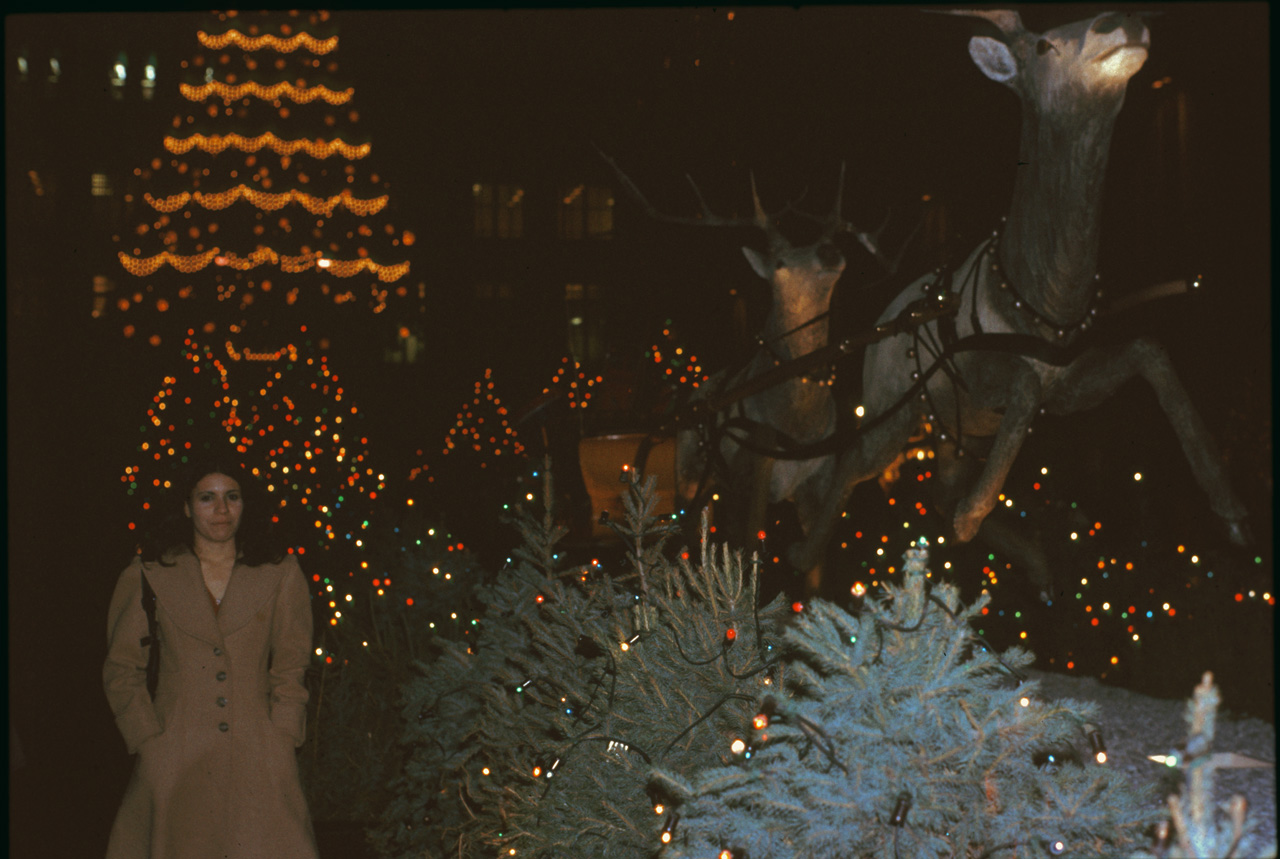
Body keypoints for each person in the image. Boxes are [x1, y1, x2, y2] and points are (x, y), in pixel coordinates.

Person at [103, 457, 319, 859]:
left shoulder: (281, 572)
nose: (221, 510)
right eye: (207, 498)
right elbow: (122, 667)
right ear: (186, 507)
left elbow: (291, 663)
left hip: (260, 755)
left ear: (245, 504)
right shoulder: (148, 573)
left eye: (232, 497)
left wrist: (283, 734)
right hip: (175, 755)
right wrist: (147, 738)